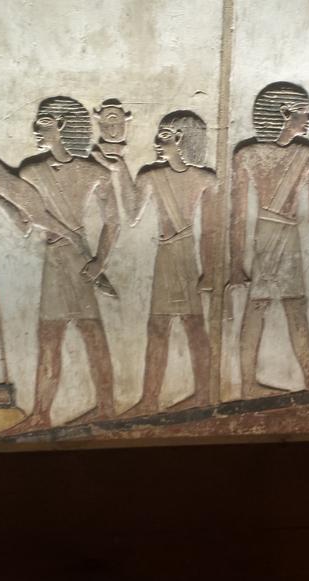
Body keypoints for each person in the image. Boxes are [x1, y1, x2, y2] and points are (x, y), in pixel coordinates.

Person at [0, 96, 121, 434]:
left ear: (62, 125)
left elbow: (113, 222)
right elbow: (26, 222)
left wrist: (100, 261)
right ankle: (41, 414)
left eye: (42, 122)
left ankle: (107, 408)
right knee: (50, 336)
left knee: (92, 333)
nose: (34, 128)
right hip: (55, 259)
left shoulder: (94, 173)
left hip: (79, 261)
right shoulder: (31, 171)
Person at [229, 82, 309, 396]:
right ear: (285, 113)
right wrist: (235, 264)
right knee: (257, 307)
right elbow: (239, 215)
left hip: (289, 236)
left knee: (295, 306)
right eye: (304, 111)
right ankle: (247, 383)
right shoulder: (247, 155)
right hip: (266, 236)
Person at [127, 111, 216, 415]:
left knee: (194, 325)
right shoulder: (150, 176)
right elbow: (132, 214)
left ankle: (204, 394)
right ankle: (150, 399)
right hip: (165, 255)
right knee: (158, 326)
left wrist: (209, 272)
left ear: (181, 138)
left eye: (163, 135)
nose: (156, 141)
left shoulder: (205, 179)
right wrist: (118, 168)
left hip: (186, 257)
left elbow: (211, 230)